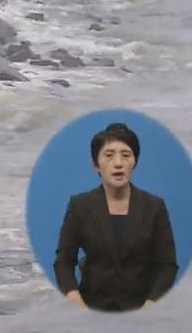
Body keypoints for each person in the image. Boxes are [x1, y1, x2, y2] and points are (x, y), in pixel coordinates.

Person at [53, 123, 179, 312]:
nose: (118, 163)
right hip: (91, 306)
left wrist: (149, 307)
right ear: (96, 165)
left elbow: (166, 266)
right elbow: (64, 261)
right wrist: (76, 303)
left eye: (126, 155)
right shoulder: (80, 205)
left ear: (134, 161)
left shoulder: (154, 207)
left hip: (141, 308)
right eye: (109, 155)